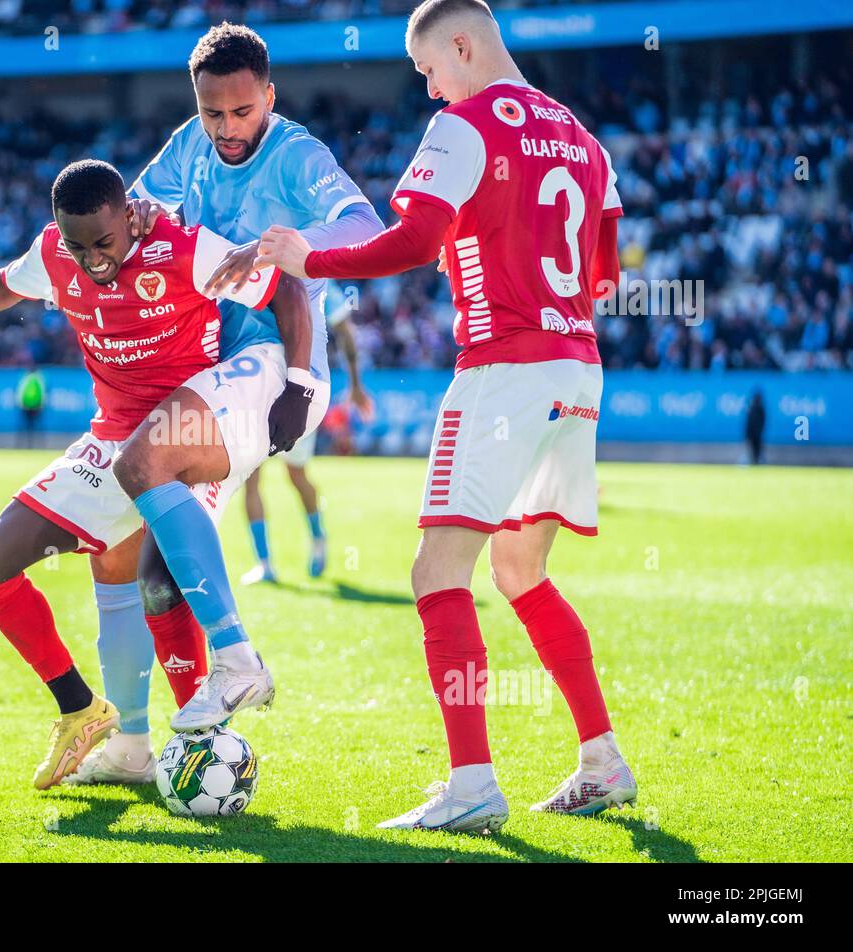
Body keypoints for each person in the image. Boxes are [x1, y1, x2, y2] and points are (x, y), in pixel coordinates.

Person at [256, 0, 635, 832]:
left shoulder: (467, 125)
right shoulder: (584, 138)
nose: (431, 90)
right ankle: (602, 760)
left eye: (430, 70)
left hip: (502, 369)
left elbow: (410, 242)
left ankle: (472, 784)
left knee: (436, 574)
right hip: (577, 368)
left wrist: (305, 255)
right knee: (520, 574)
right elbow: (601, 278)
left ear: (461, 45)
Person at [0, 159, 308, 789]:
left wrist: (296, 383)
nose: (93, 259)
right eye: (77, 246)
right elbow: (4, 285)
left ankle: (203, 731)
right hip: (107, 440)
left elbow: (283, 287)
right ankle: (93, 718)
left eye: (103, 242)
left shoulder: (183, 251)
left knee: (159, 582)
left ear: (130, 216)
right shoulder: (55, 255)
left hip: (183, 429)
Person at [75, 23, 383, 754]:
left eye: (242, 113)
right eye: (213, 113)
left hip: (279, 363)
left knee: (145, 465)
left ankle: (237, 659)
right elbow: (133, 206)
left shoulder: (299, 155)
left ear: (268, 97)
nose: (226, 129)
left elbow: (369, 228)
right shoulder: (191, 141)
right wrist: (144, 213)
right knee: (136, 561)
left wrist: (288, 247)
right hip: (210, 368)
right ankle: (130, 745)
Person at [241, 281, 375, 585]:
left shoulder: (314, 277)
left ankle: (317, 537)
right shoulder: (253, 265)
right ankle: (265, 564)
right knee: (250, 477)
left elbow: (345, 330)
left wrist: (355, 386)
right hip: (255, 388)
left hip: (298, 390)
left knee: (296, 474)